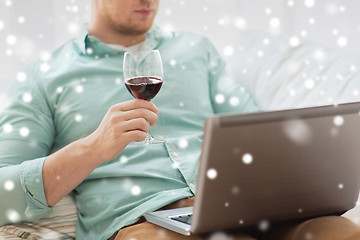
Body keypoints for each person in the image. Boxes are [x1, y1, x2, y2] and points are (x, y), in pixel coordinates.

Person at [0, 0, 359, 240]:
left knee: (341, 232)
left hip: (237, 207)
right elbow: (4, 194)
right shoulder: (45, 76)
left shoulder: (196, 50)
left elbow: (255, 131)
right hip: (143, 221)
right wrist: (93, 148)